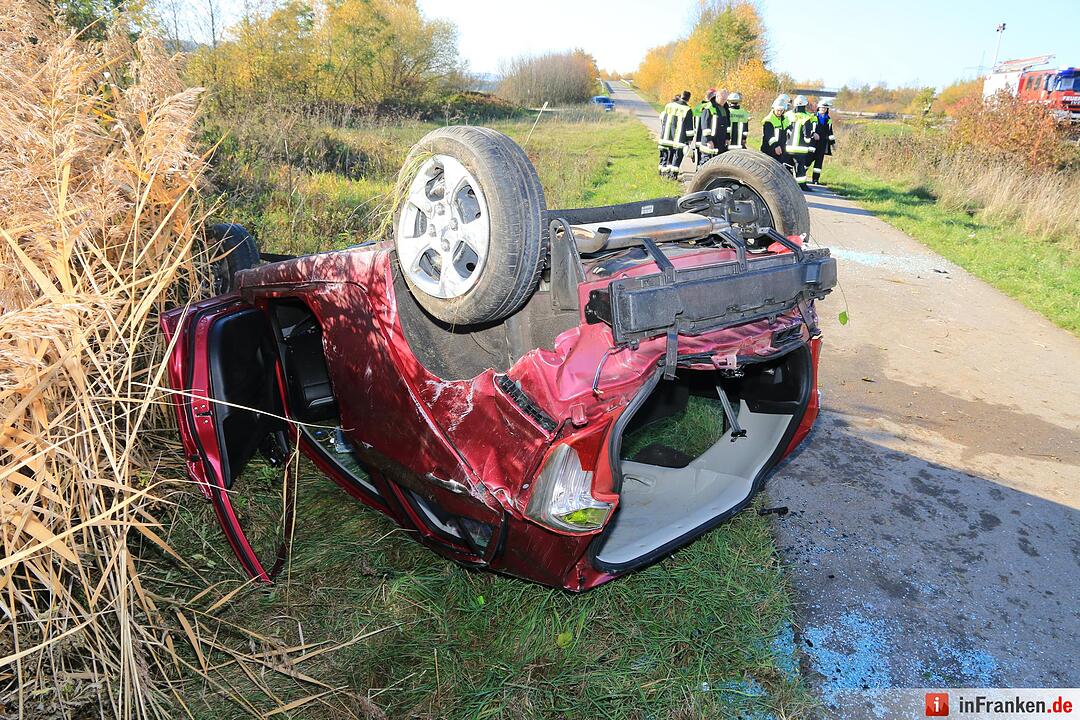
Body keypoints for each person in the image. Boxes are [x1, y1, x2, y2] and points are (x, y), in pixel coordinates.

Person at [784, 95, 818, 189]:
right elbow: (807, 133)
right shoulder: (807, 117)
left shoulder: (788, 115)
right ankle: (801, 186)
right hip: (801, 148)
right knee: (800, 167)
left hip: (788, 146)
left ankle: (786, 185)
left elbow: (784, 129)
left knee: (787, 165)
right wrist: (808, 142)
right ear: (805, 105)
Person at [658, 90, 694, 177]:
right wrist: (690, 140)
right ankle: (672, 175)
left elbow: (662, 119)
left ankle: (662, 172)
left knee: (665, 155)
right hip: (678, 139)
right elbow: (689, 129)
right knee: (676, 157)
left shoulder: (669, 106)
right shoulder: (687, 109)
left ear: (681, 96)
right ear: (688, 99)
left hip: (665, 137)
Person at [694, 88, 729, 166]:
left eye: (725, 99)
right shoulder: (708, 107)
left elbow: (727, 125)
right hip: (709, 141)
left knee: (717, 163)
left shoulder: (725, 109)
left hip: (720, 141)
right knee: (705, 162)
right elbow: (705, 126)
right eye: (722, 99)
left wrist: (727, 137)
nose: (724, 101)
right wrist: (708, 140)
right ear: (717, 96)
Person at [810, 97, 835, 185]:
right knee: (808, 159)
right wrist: (813, 134)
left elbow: (830, 132)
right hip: (813, 142)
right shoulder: (813, 117)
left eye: (825, 108)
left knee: (819, 162)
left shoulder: (828, 119)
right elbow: (808, 128)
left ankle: (815, 179)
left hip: (823, 143)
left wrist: (832, 143)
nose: (823, 109)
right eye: (822, 108)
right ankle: (800, 175)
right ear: (818, 108)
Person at [760, 96, 791, 168]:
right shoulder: (769, 120)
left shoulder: (785, 119)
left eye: (781, 110)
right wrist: (776, 146)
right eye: (778, 110)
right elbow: (769, 136)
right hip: (769, 150)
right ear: (774, 108)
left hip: (781, 150)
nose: (779, 112)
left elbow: (788, 130)